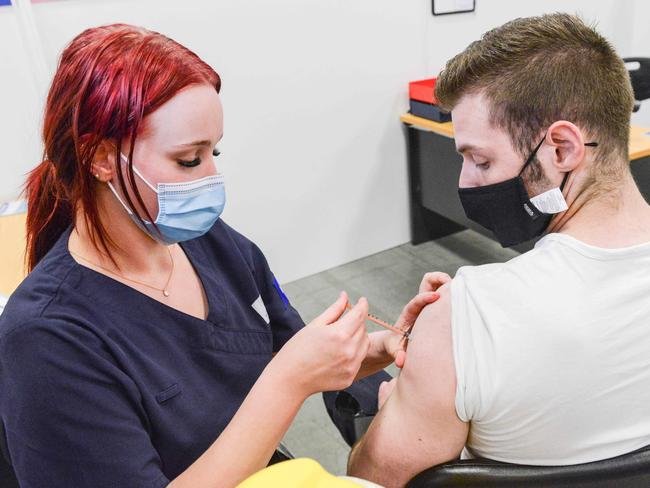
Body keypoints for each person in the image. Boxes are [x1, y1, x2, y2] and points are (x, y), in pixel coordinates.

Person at [0, 24, 440, 488]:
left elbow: (283, 346)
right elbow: (287, 371)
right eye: (189, 160)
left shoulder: (210, 243)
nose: (213, 179)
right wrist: (288, 384)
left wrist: (369, 350)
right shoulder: (48, 340)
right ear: (101, 157)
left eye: (215, 151)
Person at [348, 13, 650, 487]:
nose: (465, 181)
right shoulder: (473, 311)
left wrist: (392, 412)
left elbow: (373, 479)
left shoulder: (463, 312)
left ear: (563, 150)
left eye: (479, 159)